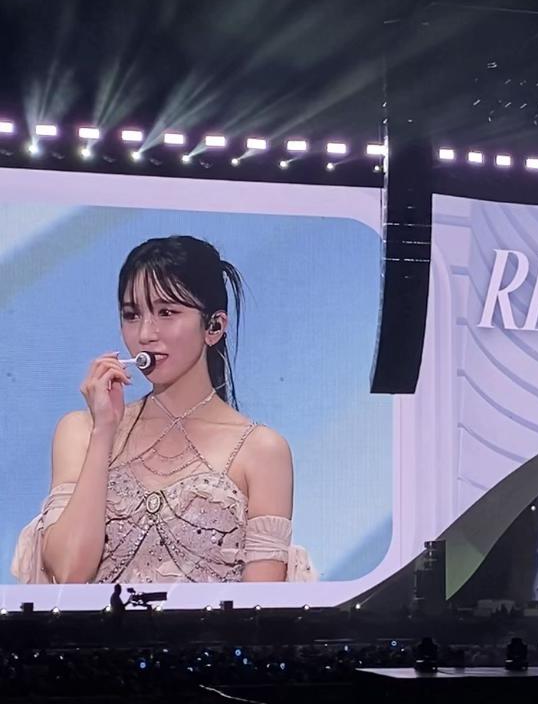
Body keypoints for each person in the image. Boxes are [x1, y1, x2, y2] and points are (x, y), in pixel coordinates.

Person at [13, 235, 314, 584]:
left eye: (167, 313)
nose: (145, 334)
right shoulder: (80, 431)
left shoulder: (262, 450)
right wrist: (104, 431)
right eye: (132, 315)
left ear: (214, 327)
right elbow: (68, 573)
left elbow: (263, 606)